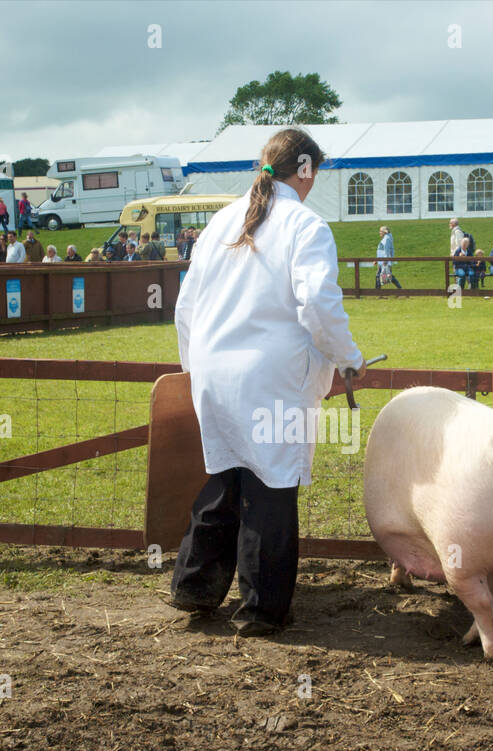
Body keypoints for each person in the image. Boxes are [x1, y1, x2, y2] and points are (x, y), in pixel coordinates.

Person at [169, 127, 365, 636]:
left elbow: (184, 307)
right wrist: (348, 358)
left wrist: (195, 369)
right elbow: (318, 303)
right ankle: (261, 608)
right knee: (273, 485)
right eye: (314, 173)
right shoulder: (306, 224)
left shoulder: (219, 221)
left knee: (227, 472)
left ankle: (194, 586)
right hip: (271, 377)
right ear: (304, 169)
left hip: (214, 371)